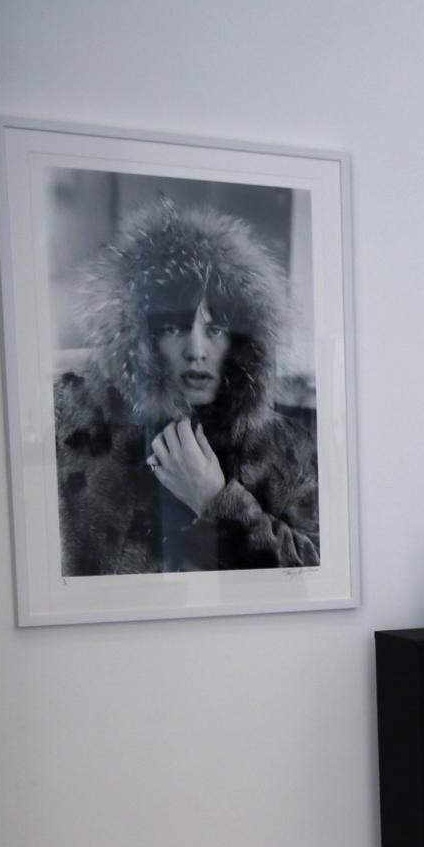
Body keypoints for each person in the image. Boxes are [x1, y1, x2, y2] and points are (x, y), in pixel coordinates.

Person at [54, 196, 319, 576]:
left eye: (214, 330)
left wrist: (216, 501)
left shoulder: (286, 446)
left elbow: (315, 579)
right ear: (141, 337)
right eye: (174, 328)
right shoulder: (75, 424)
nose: (196, 350)